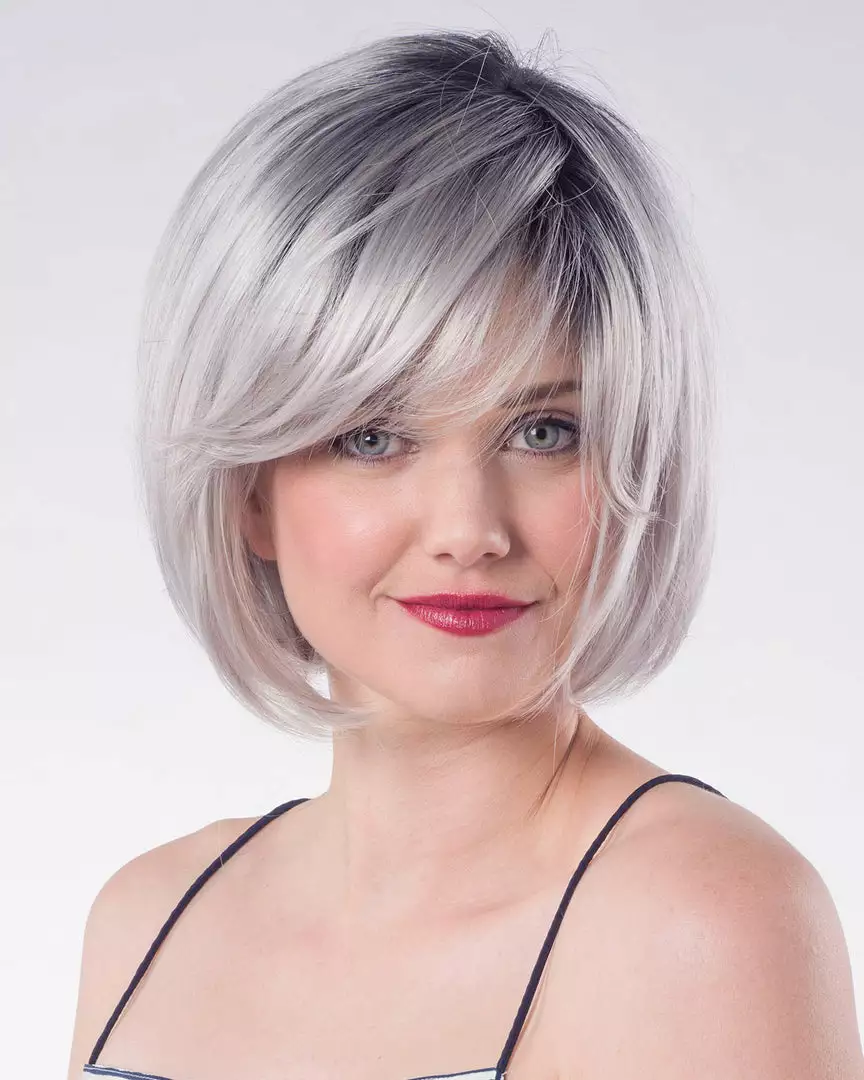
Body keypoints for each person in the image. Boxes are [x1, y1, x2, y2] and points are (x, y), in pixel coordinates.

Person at [66, 28, 863, 1080]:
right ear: (248, 492)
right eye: (372, 437)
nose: (468, 529)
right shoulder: (149, 919)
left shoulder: (703, 921)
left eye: (544, 431)